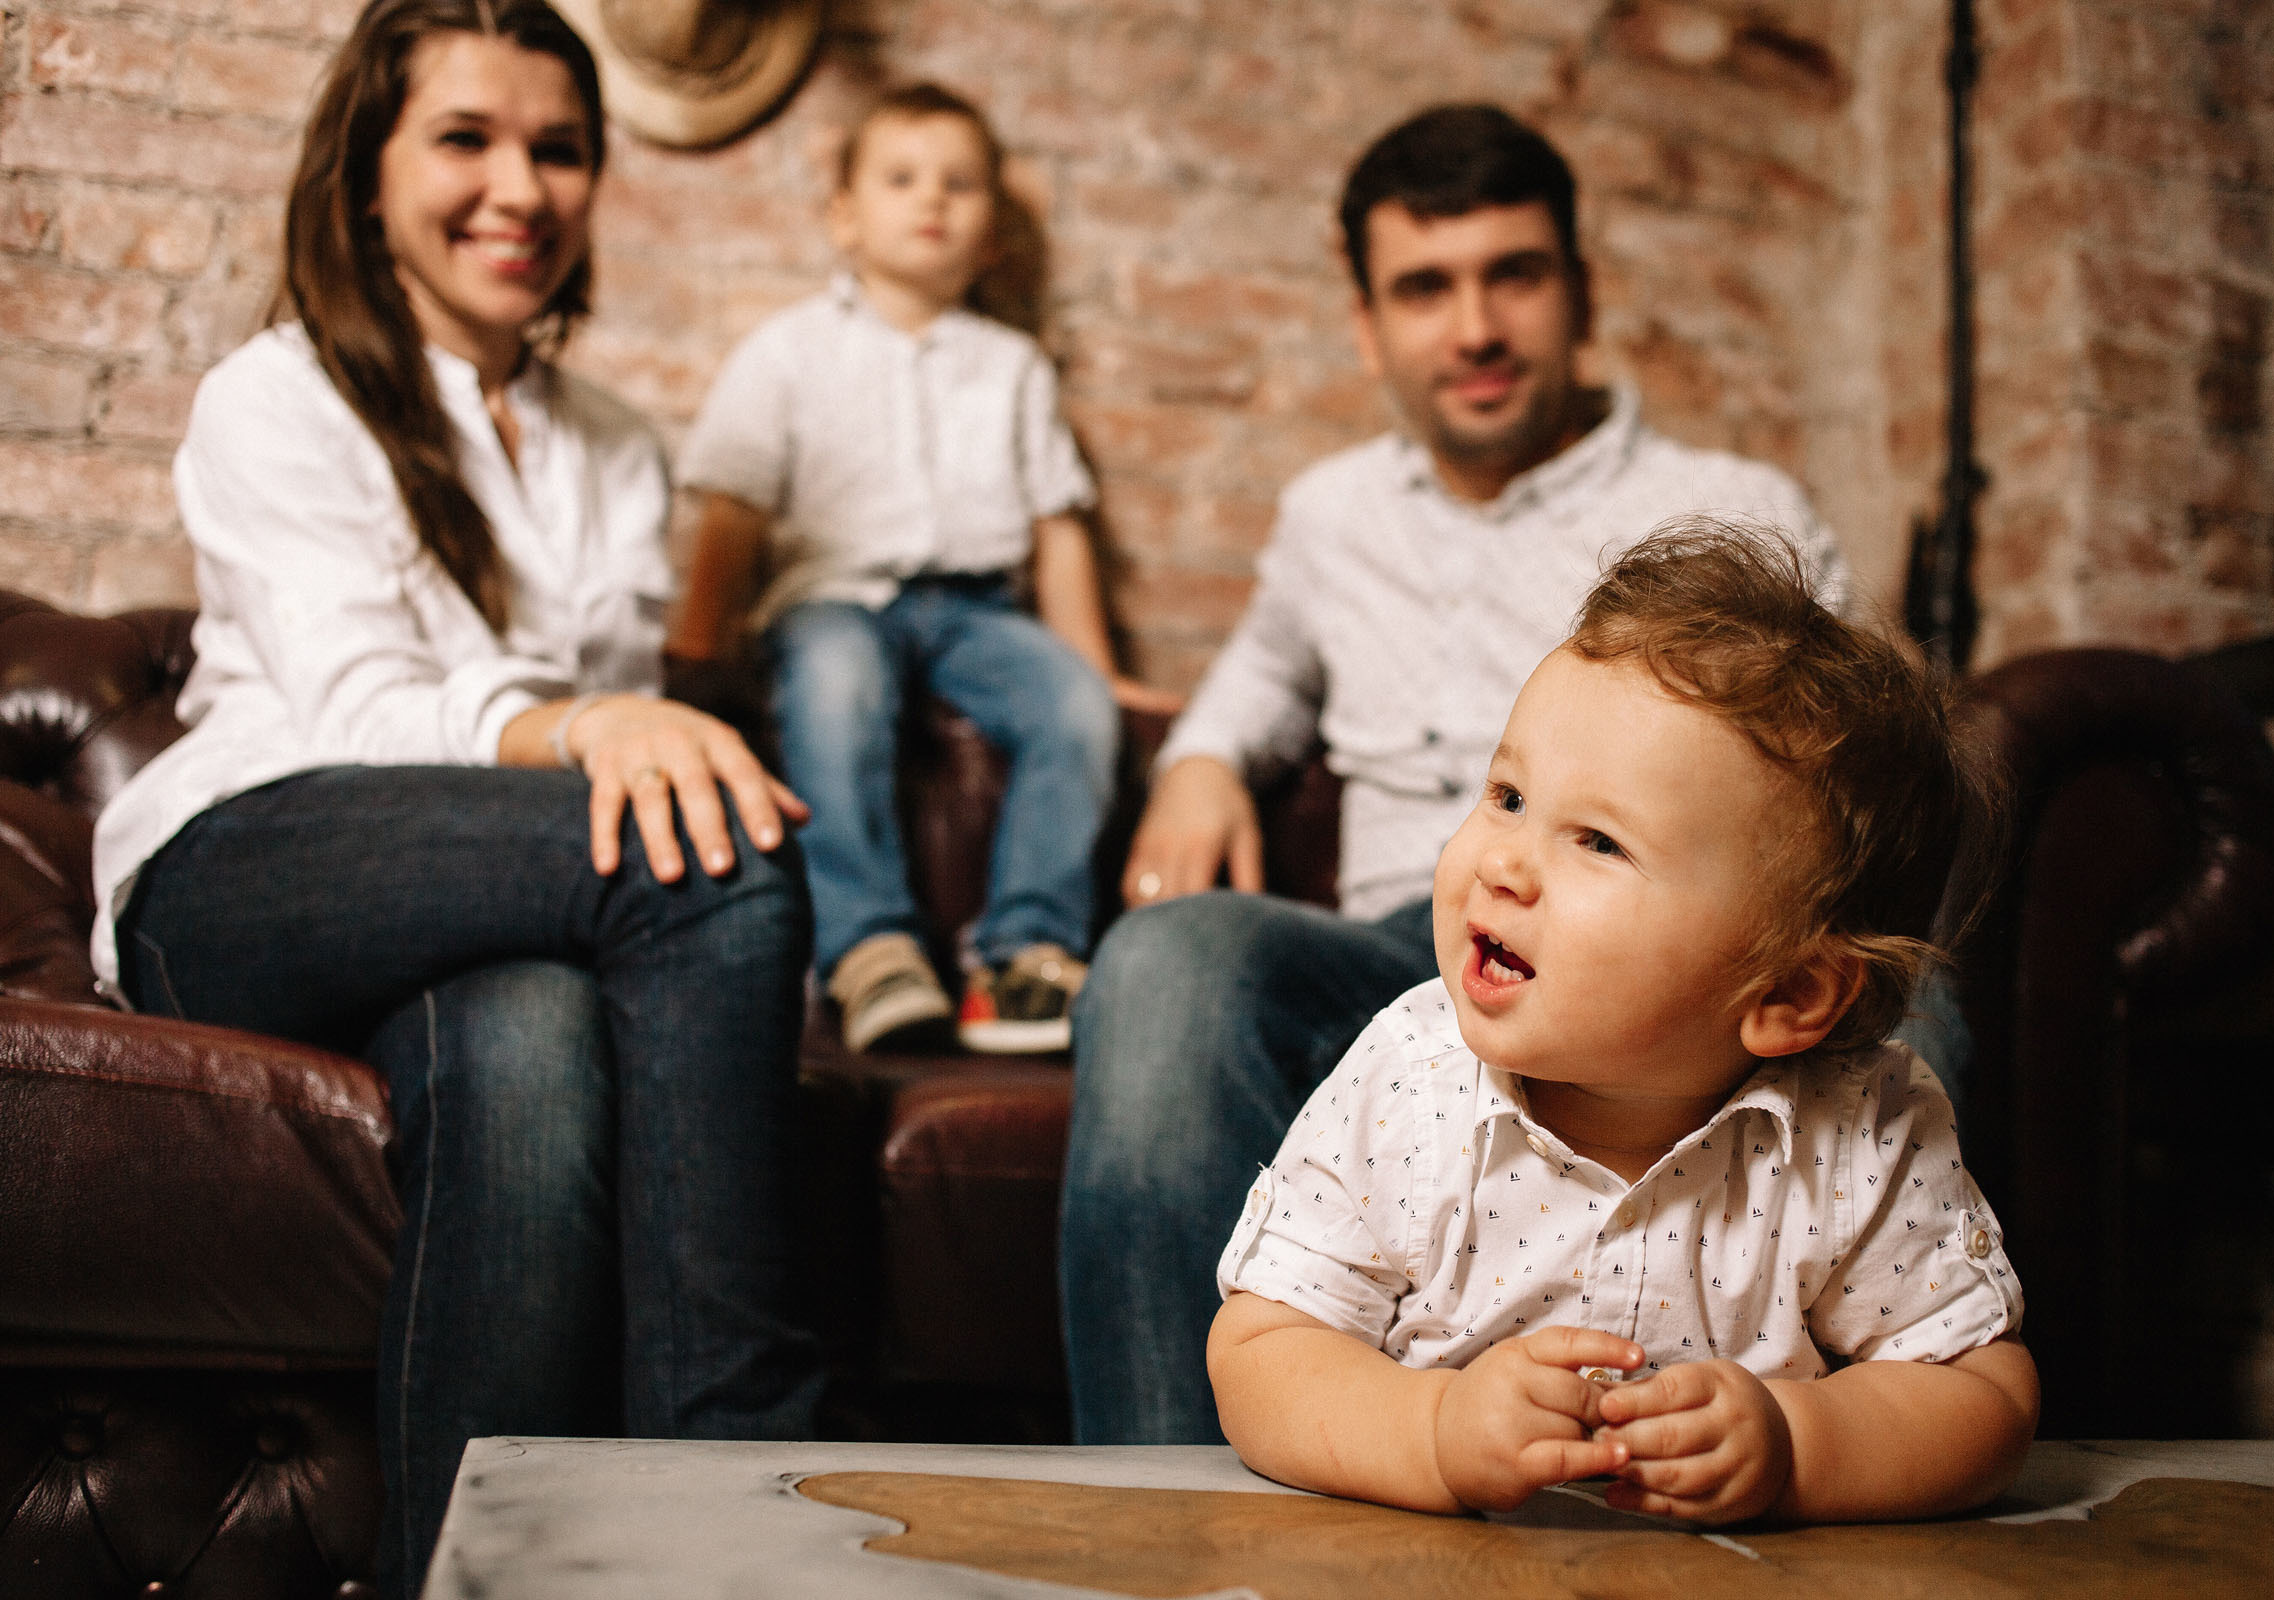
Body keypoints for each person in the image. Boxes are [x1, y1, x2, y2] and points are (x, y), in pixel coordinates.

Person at [89, 4, 822, 1593]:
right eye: (467, 140)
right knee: (715, 856)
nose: (524, 187)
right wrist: (596, 728)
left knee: (528, 1044)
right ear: (365, 180)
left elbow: (594, 781)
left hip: (481, 904)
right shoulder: (273, 396)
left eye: (560, 149)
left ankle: (475, 1577)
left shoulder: (619, 449)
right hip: (250, 859)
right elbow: (362, 711)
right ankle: (741, 1512)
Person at [1063, 103, 1873, 1445]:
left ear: (1580, 289)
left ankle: (1830, 1464)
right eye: (1425, 289)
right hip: (1390, 947)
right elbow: (1255, 680)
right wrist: (1198, 763)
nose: (1476, 328)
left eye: (1514, 274)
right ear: (1369, 325)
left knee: (1898, 1008)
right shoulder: (1330, 516)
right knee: (1162, 960)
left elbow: (1864, 783)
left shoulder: (1742, 506)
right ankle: (1180, 1521)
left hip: (1652, 956)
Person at [1209, 526, 2038, 1523]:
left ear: (1788, 996)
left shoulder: (1857, 1130)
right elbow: (1260, 1351)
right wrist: (1430, 1429)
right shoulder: (1410, 1076)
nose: (1500, 862)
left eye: (1599, 840)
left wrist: (1799, 1447)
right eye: (1509, 795)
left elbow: (1984, 1396)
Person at [669, 82, 1176, 1057]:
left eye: (960, 184)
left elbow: (1055, 528)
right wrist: (697, 652)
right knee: (837, 678)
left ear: (993, 234)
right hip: (834, 602)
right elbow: (732, 510)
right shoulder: (787, 352)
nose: (931, 200)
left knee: (1073, 704)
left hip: (975, 609)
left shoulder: (1014, 368)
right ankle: (870, 947)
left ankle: (1027, 951)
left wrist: (1096, 666)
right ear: (845, 216)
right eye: (902, 179)